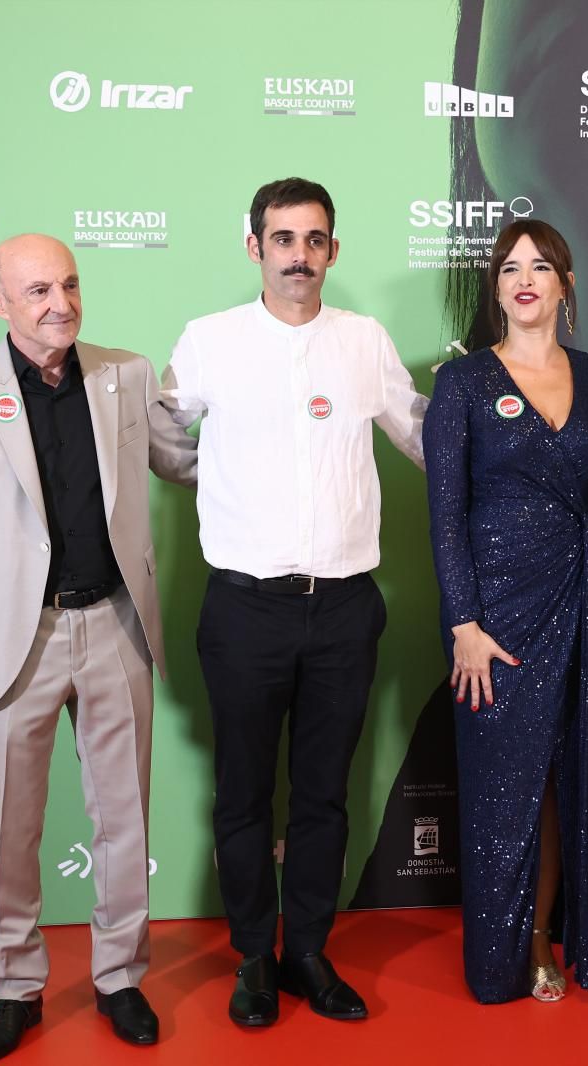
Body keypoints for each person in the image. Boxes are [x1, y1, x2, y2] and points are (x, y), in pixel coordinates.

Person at [0, 234, 195, 1060]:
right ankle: (16, 985)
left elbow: (188, 462)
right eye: (37, 291)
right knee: (7, 825)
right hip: (9, 639)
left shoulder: (127, 373)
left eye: (68, 284)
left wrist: (285, 441)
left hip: (114, 624)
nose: (59, 303)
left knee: (123, 819)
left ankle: (120, 976)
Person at [160, 177, 426, 1027]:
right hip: (244, 608)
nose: (299, 257)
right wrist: (222, 477)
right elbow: (165, 437)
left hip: (346, 606)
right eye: (283, 240)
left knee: (322, 793)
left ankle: (307, 949)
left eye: (314, 241)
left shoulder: (365, 341)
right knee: (243, 791)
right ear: (255, 248)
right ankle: (251, 957)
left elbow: (422, 437)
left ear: (333, 251)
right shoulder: (208, 341)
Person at [424, 220, 588, 1004]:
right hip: (494, 618)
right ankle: (503, 956)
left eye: (542, 266)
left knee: (560, 775)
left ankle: (542, 936)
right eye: (510, 269)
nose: (526, 279)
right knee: (506, 787)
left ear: (566, 284)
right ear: (495, 287)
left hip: (582, 594)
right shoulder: (463, 382)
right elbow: (443, 515)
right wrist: (464, 623)